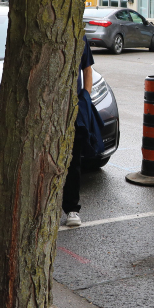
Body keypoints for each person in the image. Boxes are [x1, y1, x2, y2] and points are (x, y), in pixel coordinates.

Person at [62, 34, 96, 227]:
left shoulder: (77, 35)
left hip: (72, 108)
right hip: (45, 110)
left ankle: (72, 208)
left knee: (73, 160)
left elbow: (87, 68)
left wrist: (86, 97)